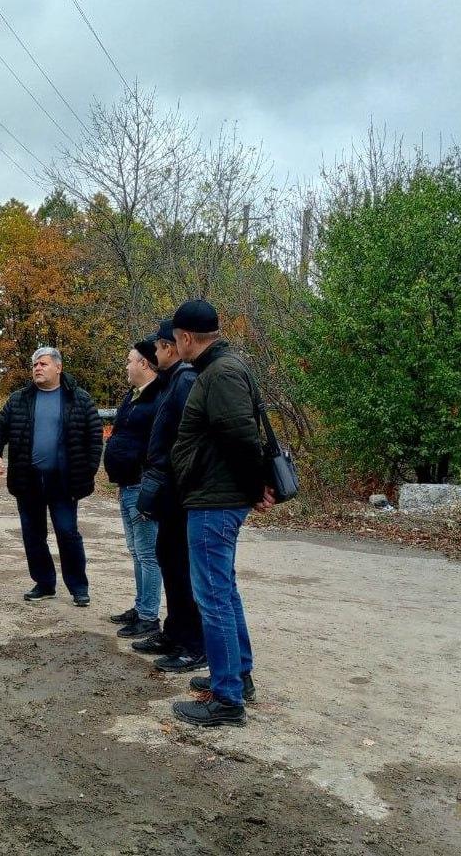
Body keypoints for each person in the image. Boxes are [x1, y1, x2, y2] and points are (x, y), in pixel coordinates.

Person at [168, 300, 274, 727]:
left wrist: (254, 487)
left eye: (175, 340)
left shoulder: (221, 372)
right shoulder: (221, 368)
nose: (175, 347)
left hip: (216, 499)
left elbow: (240, 435)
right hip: (216, 495)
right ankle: (236, 675)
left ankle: (228, 698)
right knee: (222, 590)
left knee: (212, 595)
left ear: (187, 338)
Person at [0, 347, 103, 606]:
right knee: (32, 534)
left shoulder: (79, 399)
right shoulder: (20, 399)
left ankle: (79, 588)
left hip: (63, 482)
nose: (37, 368)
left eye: (43, 364)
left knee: (67, 532)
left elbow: (95, 439)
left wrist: (87, 471)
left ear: (58, 368)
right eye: (35, 364)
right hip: (28, 481)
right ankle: (44, 583)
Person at [134, 319, 206, 674]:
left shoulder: (186, 381)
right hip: (167, 489)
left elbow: (187, 439)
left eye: (160, 347)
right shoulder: (171, 381)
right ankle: (174, 632)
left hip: (180, 491)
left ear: (171, 347)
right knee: (167, 558)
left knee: (180, 567)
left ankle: (193, 644)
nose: (156, 354)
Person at [104, 339, 166, 638]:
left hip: (143, 486)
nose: (126, 366)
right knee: (135, 550)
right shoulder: (133, 397)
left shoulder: (159, 399)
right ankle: (141, 606)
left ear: (144, 363)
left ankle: (149, 616)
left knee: (147, 553)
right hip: (126, 484)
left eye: (130, 360)